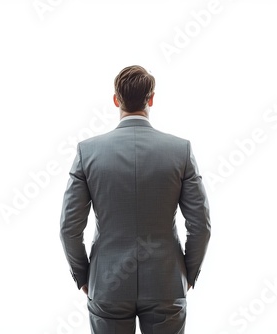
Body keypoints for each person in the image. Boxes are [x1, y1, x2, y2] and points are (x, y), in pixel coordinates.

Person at [59, 65, 211, 334]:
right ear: (151, 99)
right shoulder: (181, 151)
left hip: (108, 282)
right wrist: (187, 272)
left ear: (116, 100)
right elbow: (201, 225)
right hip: (165, 282)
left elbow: (69, 229)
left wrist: (85, 277)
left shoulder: (87, 152)